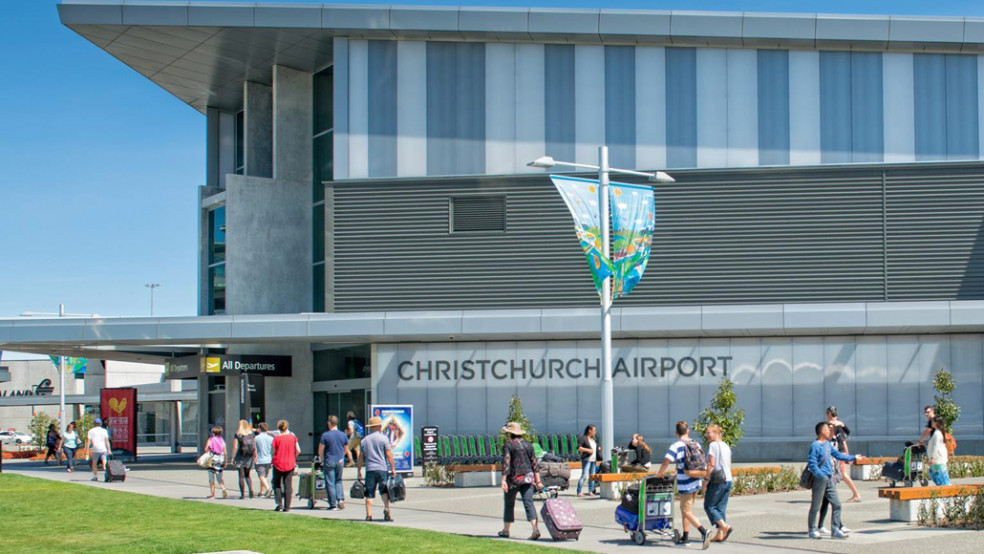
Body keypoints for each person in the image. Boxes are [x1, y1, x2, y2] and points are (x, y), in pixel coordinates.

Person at [656, 421, 712, 550]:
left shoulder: (676, 445)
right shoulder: (695, 443)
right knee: (686, 511)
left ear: (676, 432)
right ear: (688, 431)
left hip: (685, 484)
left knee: (686, 511)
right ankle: (685, 537)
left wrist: (660, 473)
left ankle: (704, 532)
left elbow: (666, 460)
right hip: (696, 480)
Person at [807, 421, 864, 539]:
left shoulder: (828, 445)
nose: (830, 432)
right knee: (816, 506)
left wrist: (853, 457)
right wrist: (821, 475)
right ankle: (812, 530)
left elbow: (838, 455)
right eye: (828, 429)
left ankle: (835, 529)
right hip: (820, 479)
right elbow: (812, 464)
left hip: (829, 479)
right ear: (822, 431)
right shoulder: (815, 445)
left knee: (837, 504)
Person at [497, 421, 542, 540]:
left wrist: (503, 479)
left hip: (513, 479)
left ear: (509, 433)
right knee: (529, 503)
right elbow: (534, 463)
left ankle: (506, 530)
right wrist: (538, 481)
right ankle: (535, 529)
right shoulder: (528, 444)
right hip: (528, 478)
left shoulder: (509, 445)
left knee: (509, 504)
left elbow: (506, 462)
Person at [357, 416, 397, 522]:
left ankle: (369, 515)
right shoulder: (384, 439)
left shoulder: (364, 440)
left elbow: (361, 457)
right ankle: (386, 509)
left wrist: (359, 470)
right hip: (382, 468)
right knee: (384, 490)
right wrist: (393, 468)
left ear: (371, 427)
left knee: (369, 492)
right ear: (379, 426)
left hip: (370, 469)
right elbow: (388, 454)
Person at [702, 425, 734, 542]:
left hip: (717, 480)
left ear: (716, 433)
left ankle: (725, 527)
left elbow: (711, 464)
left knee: (709, 506)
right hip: (728, 479)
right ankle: (720, 533)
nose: (707, 435)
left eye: (709, 432)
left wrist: (705, 480)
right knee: (720, 508)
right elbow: (729, 463)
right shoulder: (726, 446)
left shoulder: (713, 445)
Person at [826, 406, 861, 503]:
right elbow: (844, 439)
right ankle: (854, 494)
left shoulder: (832, 425)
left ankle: (856, 494)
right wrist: (848, 455)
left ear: (829, 414)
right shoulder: (839, 424)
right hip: (840, 452)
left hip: (837, 452)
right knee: (839, 474)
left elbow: (841, 440)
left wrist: (847, 455)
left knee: (842, 474)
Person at [318, 415, 350, 511]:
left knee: (330, 482)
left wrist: (322, 458)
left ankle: (333, 504)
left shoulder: (325, 435)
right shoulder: (343, 435)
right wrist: (341, 456)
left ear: (329, 423)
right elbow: (346, 448)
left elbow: (320, 449)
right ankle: (340, 499)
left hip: (329, 460)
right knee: (339, 481)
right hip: (339, 461)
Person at [271, 419, 300, 511]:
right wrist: (293, 456)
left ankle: (279, 504)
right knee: (288, 484)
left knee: (277, 484)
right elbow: (298, 450)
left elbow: (272, 452)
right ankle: (287, 506)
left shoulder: (277, 438)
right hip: (290, 463)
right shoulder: (292, 437)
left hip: (278, 463)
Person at [232, 419, 256, 499]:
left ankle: (242, 494)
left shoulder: (238, 434)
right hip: (249, 455)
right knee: (247, 475)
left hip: (241, 455)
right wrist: (255, 456)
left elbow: (235, 447)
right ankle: (251, 490)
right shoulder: (251, 434)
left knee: (241, 476)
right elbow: (254, 446)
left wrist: (233, 458)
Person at [576, 424, 601, 497]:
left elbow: (596, 447)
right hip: (587, 459)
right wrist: (588, 450)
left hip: (593, 459)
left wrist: (598, 448)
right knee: (584, 475)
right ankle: (579, 491)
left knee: (592, 476)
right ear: (589, 430)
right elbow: (578, 448)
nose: (595, 432)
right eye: (594, 430)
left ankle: (591, 491)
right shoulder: (584, 438)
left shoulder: (593, 439)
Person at [205, 426, 228, 499]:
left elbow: (206, 449)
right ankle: (223, 487)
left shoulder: (211, 439)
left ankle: (212, 494)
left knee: (211, 478)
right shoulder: (222, 440)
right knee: (219, 477)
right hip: (220, 460)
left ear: (213, 433)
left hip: (212, 459)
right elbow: (225, 452)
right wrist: (225, 461)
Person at [927, 417, 951, 486]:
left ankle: (946, 492)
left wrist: (932, 458)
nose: (931, 423)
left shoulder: (937, 433)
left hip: (938, 460)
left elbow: (936, 446)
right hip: (938, 460)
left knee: (942, 478)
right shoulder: (938, 433)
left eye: (933, 421)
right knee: (936, 475)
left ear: (936, 423)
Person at [86, 418, 111, 482]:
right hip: (103, 448)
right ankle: (106, 474)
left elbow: (88, 441)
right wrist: (109, 449)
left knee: (94, 463)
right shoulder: (104, 430)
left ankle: (95, 476)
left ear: (94, 424)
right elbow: (106, 441)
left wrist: (87, 450)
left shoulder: (91, 431)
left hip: (96, 449)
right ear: (100, 424)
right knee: (104, 463)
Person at [254, 422, 274, 498]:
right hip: (268, 459)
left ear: (259, 429)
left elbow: (255, 449)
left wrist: (255, 457)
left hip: (260, 459)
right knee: (264, 476)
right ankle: (261, 491)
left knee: (261, 476)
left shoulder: (256, 438)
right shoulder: (271, 438)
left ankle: (268, 489)